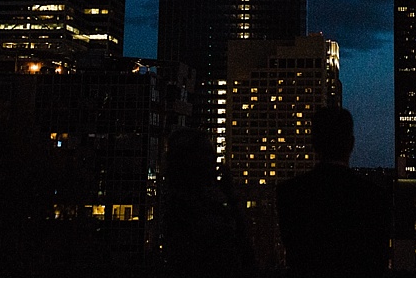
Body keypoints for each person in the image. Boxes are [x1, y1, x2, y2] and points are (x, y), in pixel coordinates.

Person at [275, 106, 391, 277]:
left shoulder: (290, 193)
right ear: (351, 144)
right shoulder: (374, 196)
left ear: (314, 144)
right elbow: (378, 263)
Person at [157, 128, 255, 276]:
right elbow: (243, 253)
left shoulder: (180, 205)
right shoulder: (191, 211)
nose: (213, 161)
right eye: (207, 155)